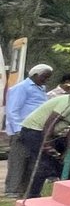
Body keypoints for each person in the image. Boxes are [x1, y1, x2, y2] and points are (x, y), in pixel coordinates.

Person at [15, 91, 70, 198]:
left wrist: (66, 152)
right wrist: (47, 142)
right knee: (44, 164)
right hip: (33, 130)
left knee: (62, 165)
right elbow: (50, 122)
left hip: (50, 133)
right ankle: (32, 196)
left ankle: (68, 194)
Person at [5, 61, 52, 195]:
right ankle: (12, 189)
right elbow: (12, 111)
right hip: (21, 130)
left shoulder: (41, 89)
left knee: (32, 160)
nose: (46, 80)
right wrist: (18, 130)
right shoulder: (21, 87)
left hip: (35, 130)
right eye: (44, 77)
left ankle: (25, 189)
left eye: (48, 77)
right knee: (18, 161)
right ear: (35, 75)